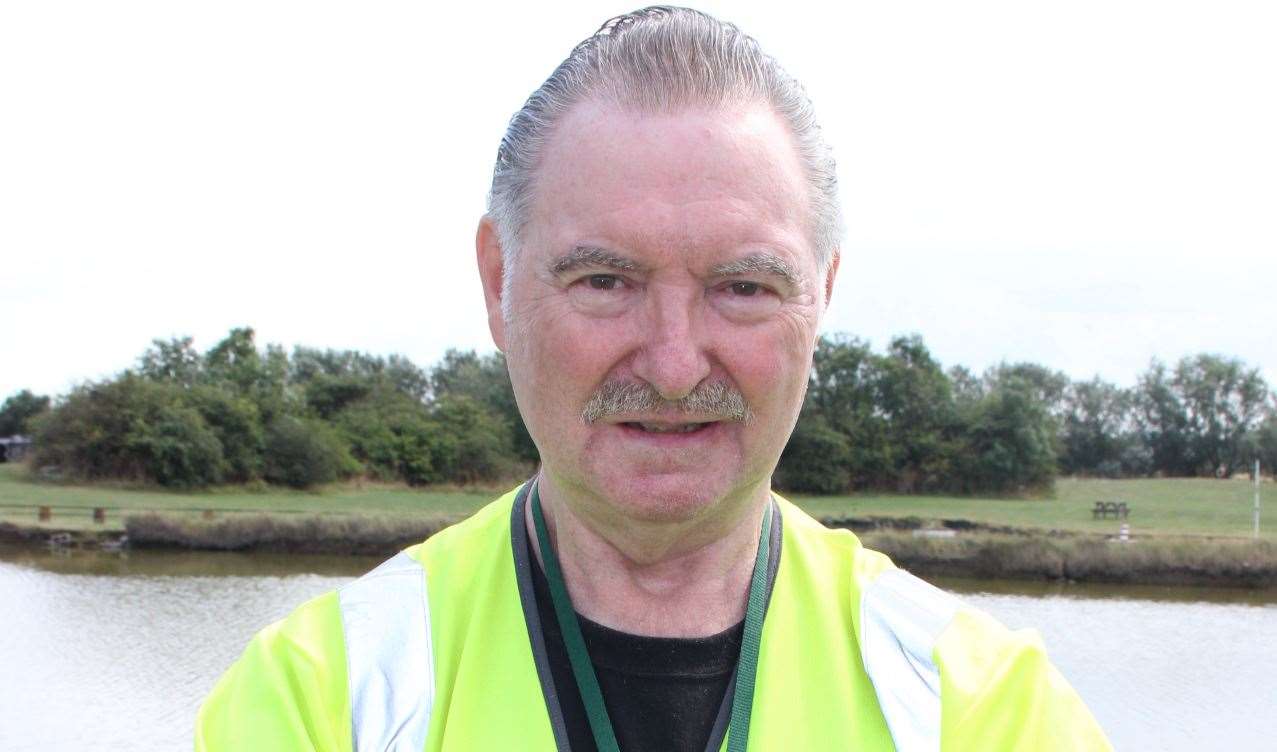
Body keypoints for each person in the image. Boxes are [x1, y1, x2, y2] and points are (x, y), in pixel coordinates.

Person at [197, 7, 1110, 750]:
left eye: (743, 287)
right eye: (605, 282)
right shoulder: (319, 704)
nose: (674, 365)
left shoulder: (983, 714)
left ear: (821, 298)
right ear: (497, 282)